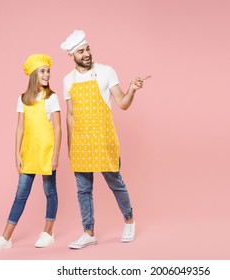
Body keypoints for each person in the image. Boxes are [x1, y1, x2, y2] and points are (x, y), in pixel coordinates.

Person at [60, 30, 151, 249]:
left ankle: (129, 220)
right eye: (81, 51)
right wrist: (71, 145)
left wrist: (132, 89)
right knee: (83, 190)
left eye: (88, 49)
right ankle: (88, 231)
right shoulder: (67, 80)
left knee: (115, 183)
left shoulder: (106, 71)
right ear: (71, 56)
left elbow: (122, 103)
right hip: (81, 141)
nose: (87, 54)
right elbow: (70, 115)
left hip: (103, 138)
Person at [0, 54, 62, 252]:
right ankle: (6, 237)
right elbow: (20, 128)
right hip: (29, 151)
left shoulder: (52, 98)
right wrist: (16, 153)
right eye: (43, 71)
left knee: (50, 191)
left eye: (48, 71)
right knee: (21, 194)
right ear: (34, 74)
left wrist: (55, 155)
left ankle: (48, 232)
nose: (47, 75)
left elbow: (58, 128)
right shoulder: (23, 99)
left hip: (46, 151)